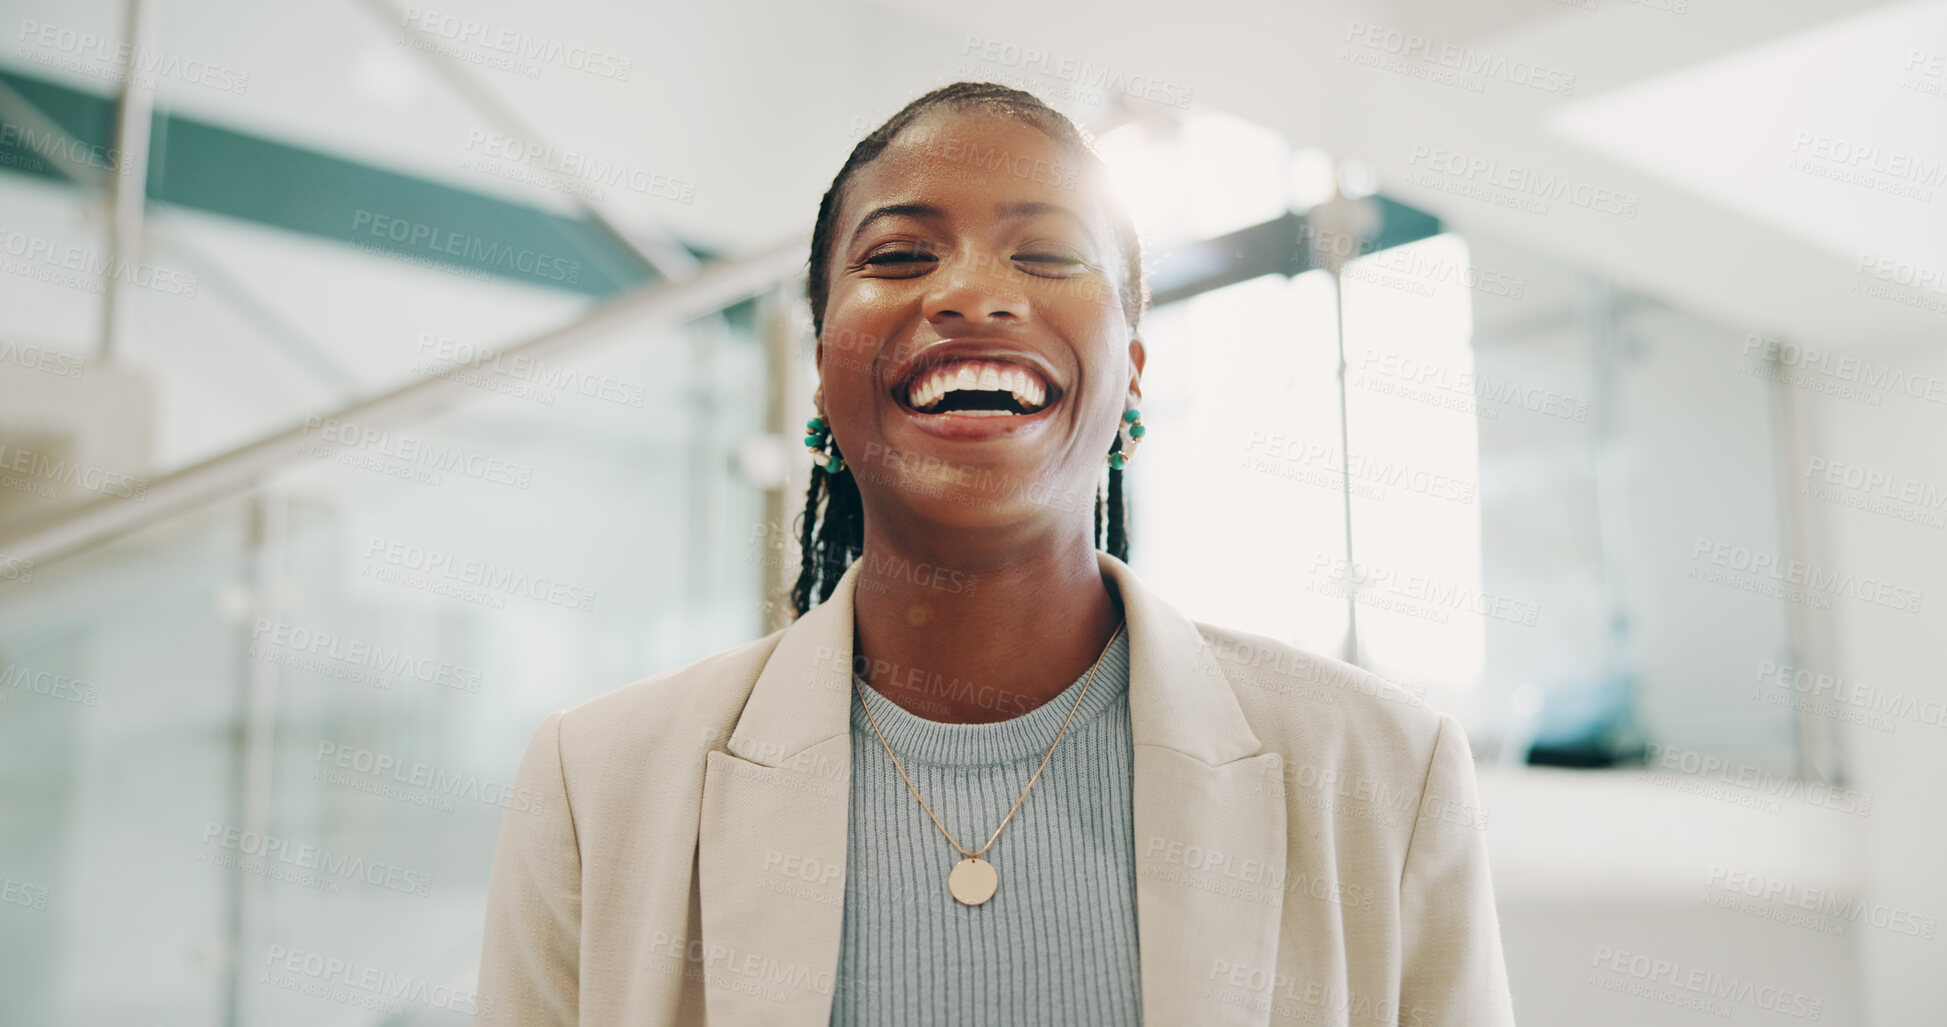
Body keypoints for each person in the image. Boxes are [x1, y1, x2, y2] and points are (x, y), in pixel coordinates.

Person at [477, 81, 1517, 1026]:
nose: (973, 294)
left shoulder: (1385, 772)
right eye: (897, 257)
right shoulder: (596, 781)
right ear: (821, 372)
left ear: (1133, 373)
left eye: (1050, 255)